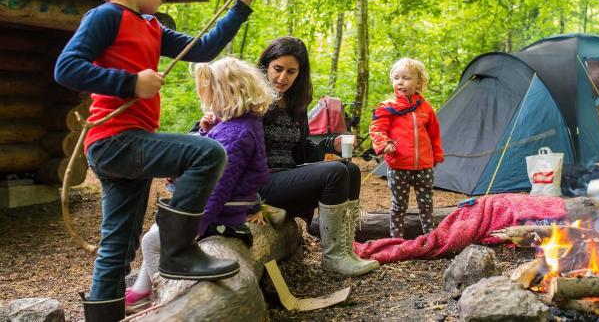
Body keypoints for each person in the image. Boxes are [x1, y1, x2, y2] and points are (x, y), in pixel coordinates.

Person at [53, 0, 256, 321]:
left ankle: (103, 315)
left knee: (120, 243)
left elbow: (205, 48)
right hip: (115, 140)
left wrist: (242, 4)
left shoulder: (150, 25)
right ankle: (179, 252)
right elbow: (66, 68)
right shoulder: (106, 17)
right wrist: (130, 83)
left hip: (130, 146)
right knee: (208, 153)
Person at [124, 57, 275, 312]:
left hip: (222, 215)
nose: (209, 102)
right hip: (225, 209)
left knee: (152, 242)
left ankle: (163, 288)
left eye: (211, 95)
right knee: (155, 232)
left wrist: (194, 225)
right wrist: (207, 131)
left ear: (227, 93)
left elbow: (219, 186)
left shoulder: (236, 133)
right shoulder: (237, 125)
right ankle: (141, 291)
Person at [256, 36, 379, 276]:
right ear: (266, 66)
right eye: (277, 69)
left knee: (350, 169)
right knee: (333, 173)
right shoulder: (252, 99)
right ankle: (333, 257)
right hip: (259, 185)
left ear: (299, 74)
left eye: (291, 72)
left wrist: (330, 144)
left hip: (285, 179)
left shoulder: (295, 104)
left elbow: (301, 152)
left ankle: (345, 249)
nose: (283, 78)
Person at [369, 58, 444, 238]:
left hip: (424, 167)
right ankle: (396, 238)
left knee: (426, 203)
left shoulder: (425, 108)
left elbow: (434, 134)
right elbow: (377, 128)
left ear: (419, 82)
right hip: (399, 166)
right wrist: (383, 144)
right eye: (396, 78)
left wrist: (437, 155)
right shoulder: (388, 107)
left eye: (406, 78)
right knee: (399, 205)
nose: (400, 82)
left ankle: (429, 235)